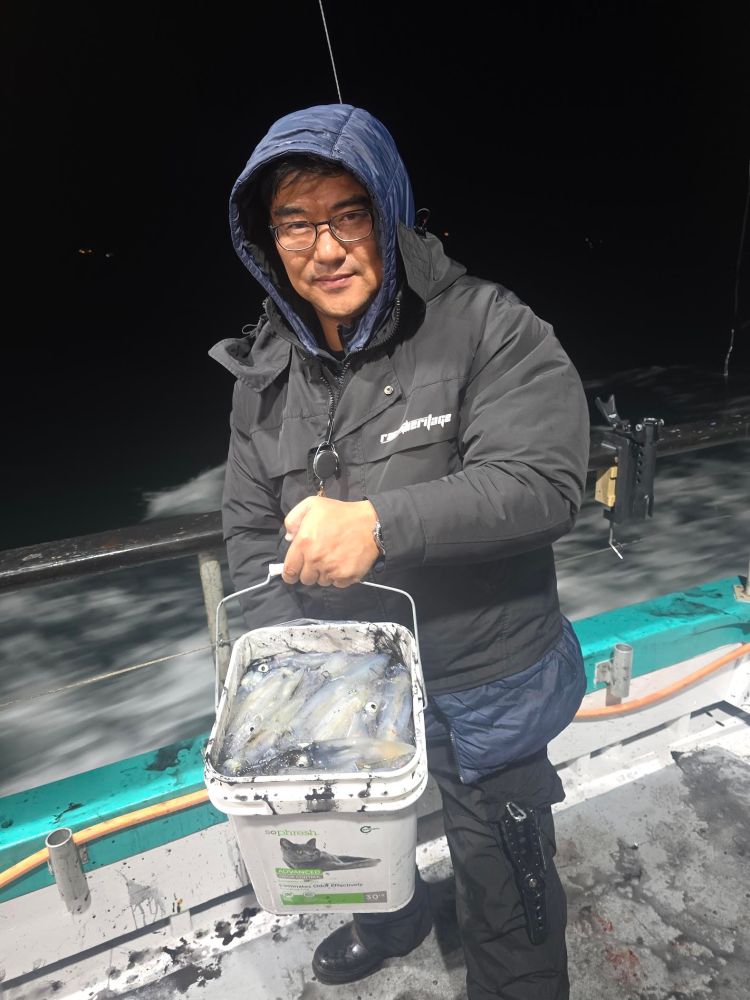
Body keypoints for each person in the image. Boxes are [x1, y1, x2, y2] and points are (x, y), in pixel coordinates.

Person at [209, 103, 590, 1000]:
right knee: (353, 846)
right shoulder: (266, 367)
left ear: (388, 212)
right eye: (296, 223)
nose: (325, 247)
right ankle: (398, 916)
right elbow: (249, 527)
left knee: (511, 894)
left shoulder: (487, 323)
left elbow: (543, 481)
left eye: (348, 215)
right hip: (344, 682)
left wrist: (377, 522)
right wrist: (278, 670)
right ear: (267, 243)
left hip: (485, 670)